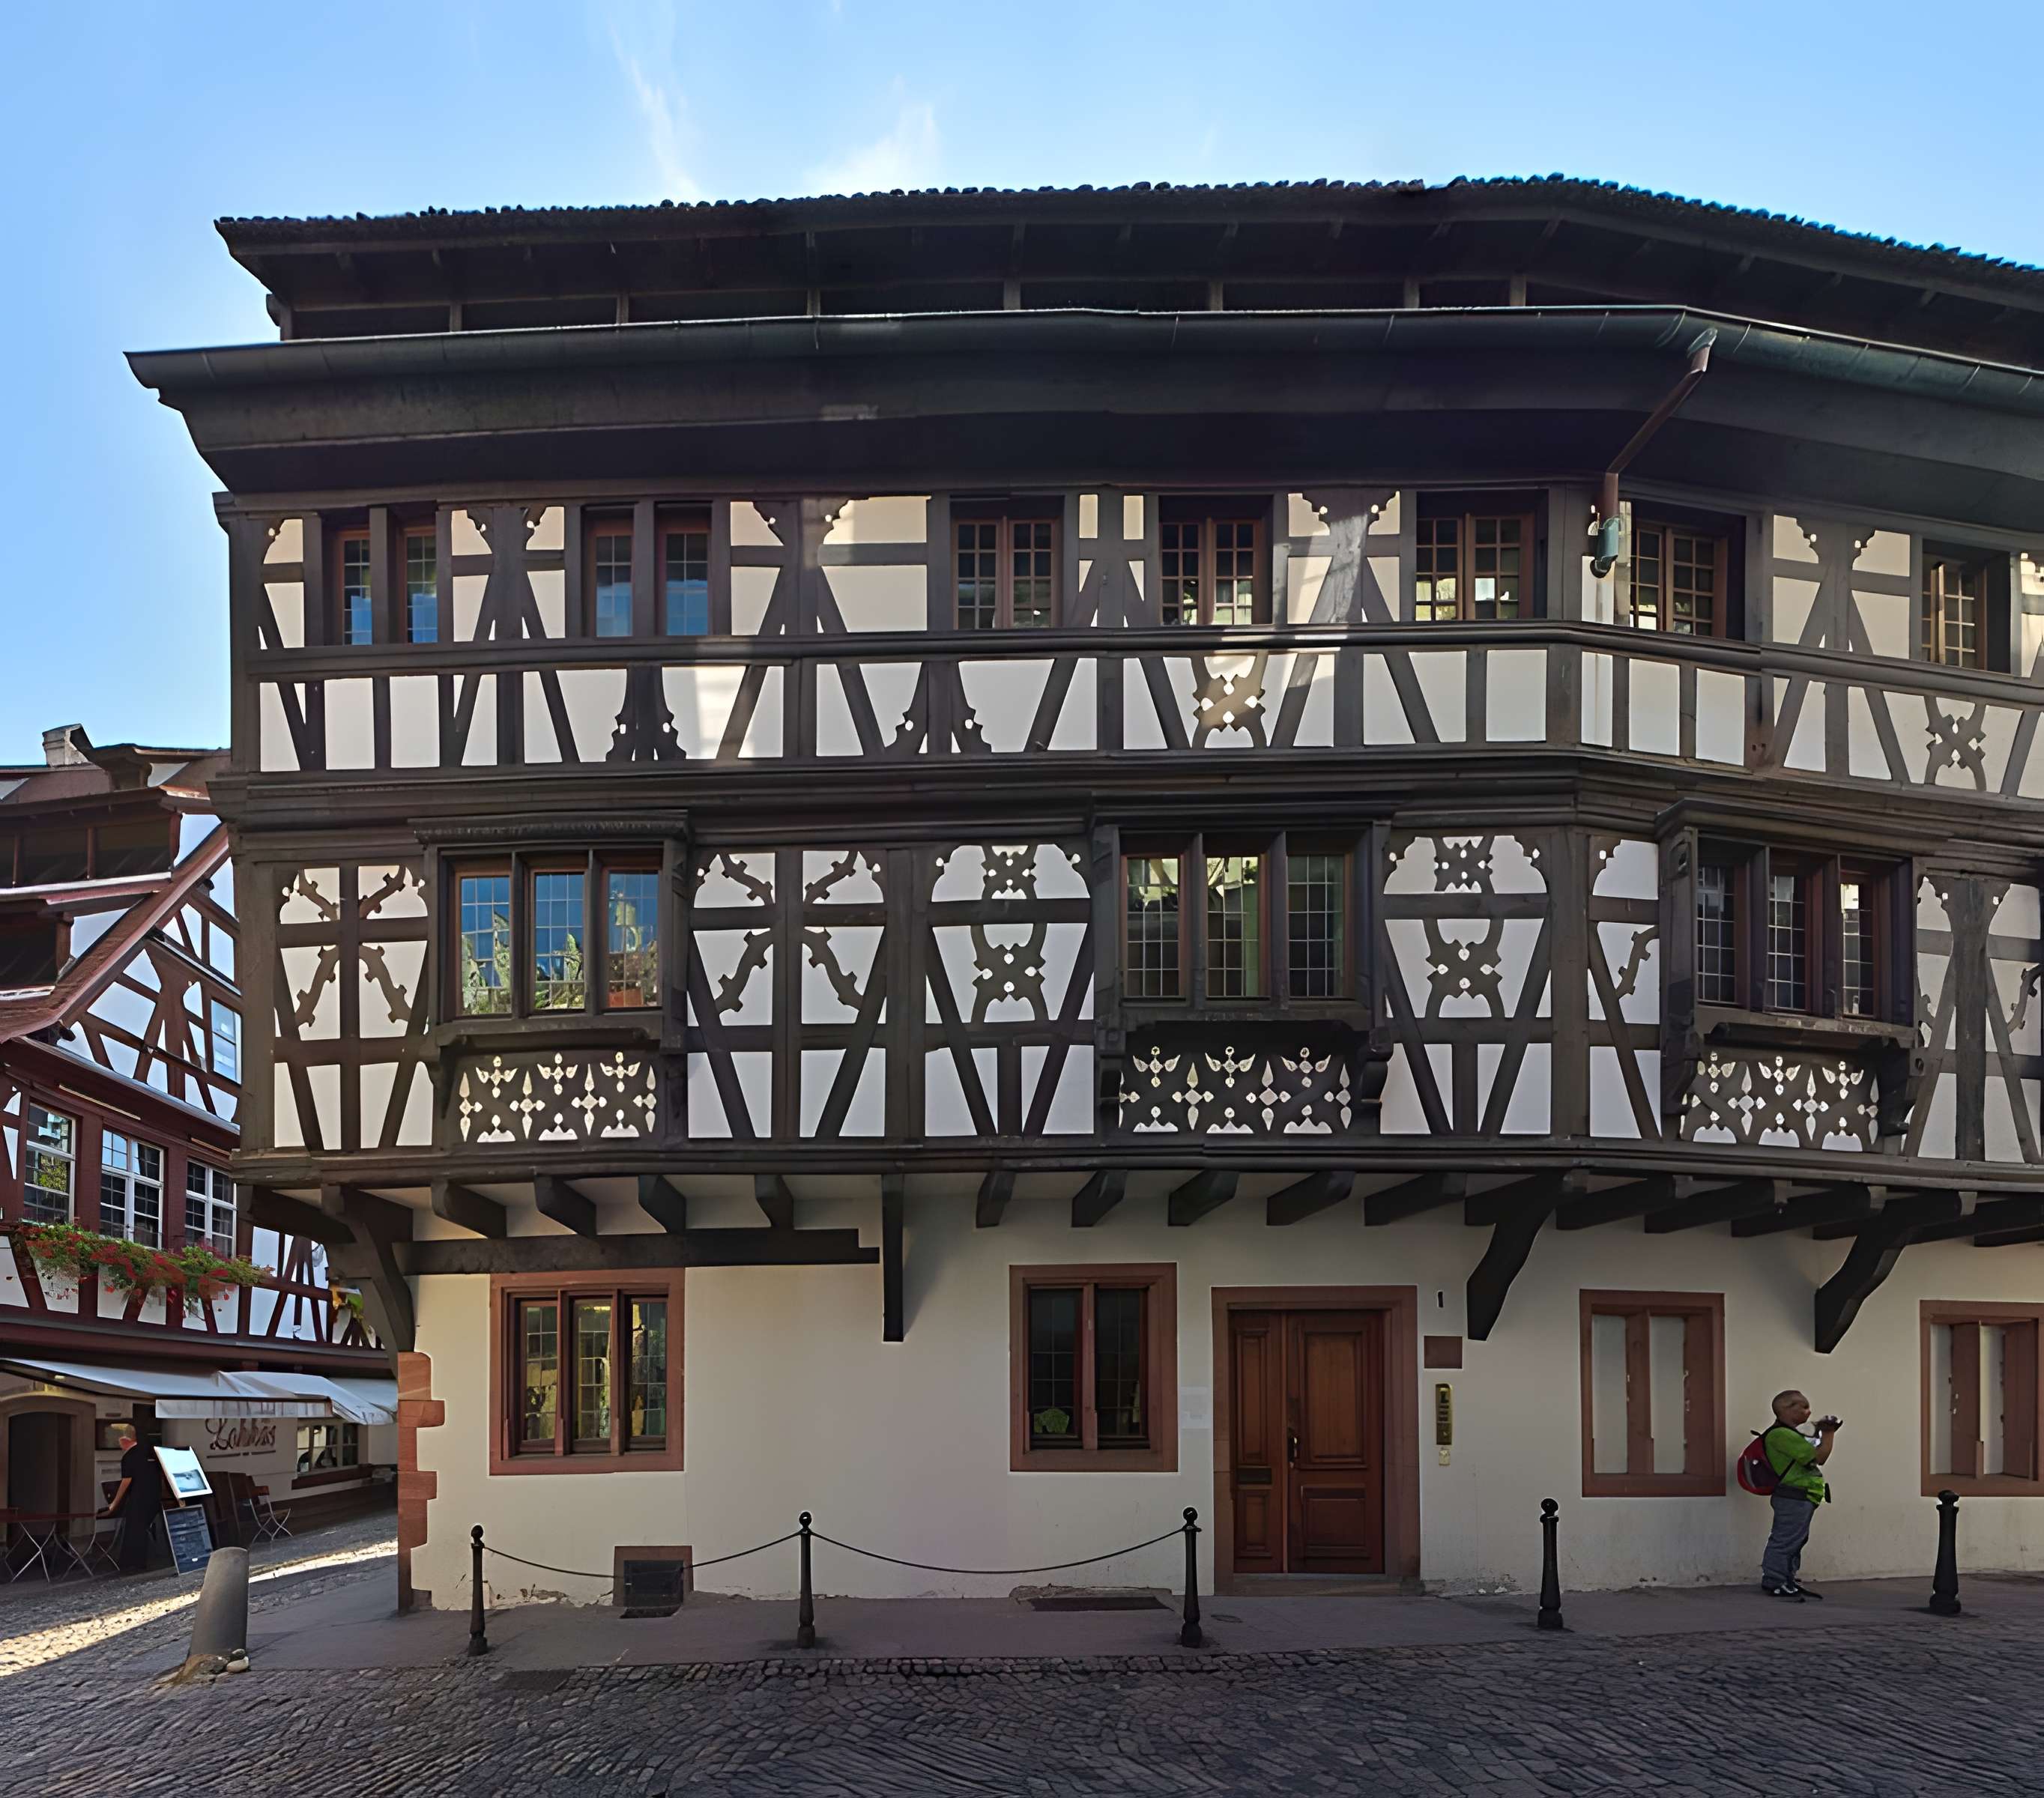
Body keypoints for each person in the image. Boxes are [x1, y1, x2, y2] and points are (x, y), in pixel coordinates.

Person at [1760, 1390, 1841, 1602]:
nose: (1809, 1411)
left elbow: (1814, 1448)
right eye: (1803, 1407)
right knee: (1785, 1540)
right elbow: (1819, 1457)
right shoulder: (1781, 1435)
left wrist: (1820, 1432)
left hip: (1803, 1495)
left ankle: (1787, 1578)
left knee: (1797, 1540)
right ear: (1787, 1408)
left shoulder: (1792, 1434)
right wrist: (1830, 1434)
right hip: (1793, 1495)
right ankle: (1775, 1581)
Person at [102, 1428, 165, 1573]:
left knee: (134, 1530)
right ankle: (139, 1562)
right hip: (154, 1497)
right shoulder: (150, 1453)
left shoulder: (129, 1456)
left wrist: (114, 1503)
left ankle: (132, 1563)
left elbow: (126, 1482)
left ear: (125, 1440)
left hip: (139, 1498)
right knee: (141, 1529)